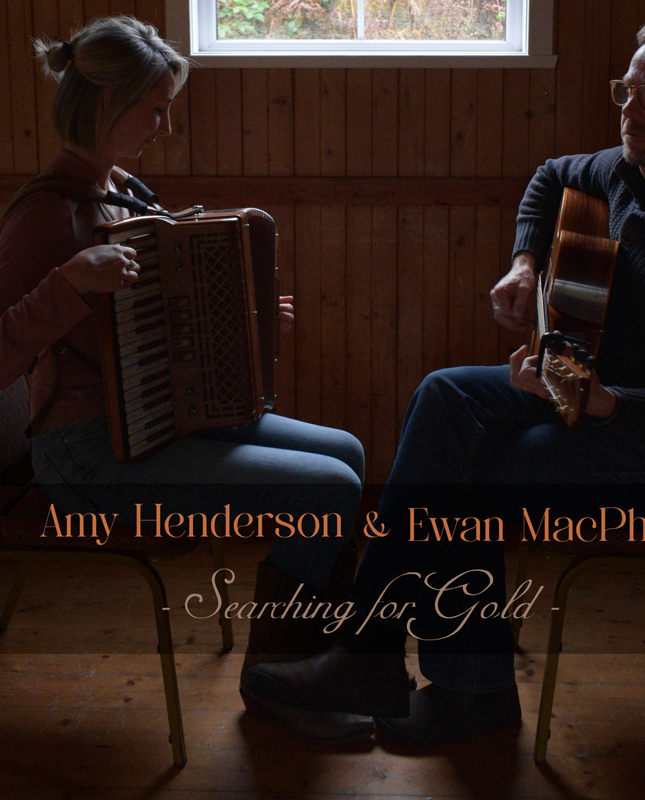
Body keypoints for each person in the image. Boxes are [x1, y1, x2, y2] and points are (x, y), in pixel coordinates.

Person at [242, 16, 645, 747]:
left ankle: (464, 689)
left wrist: (605, 401)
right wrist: (524, 262)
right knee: (446, 395)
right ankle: (375, 657)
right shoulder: (625, 172)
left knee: (473, 473)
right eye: (626, 88)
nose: (630, 108)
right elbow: (548, 177)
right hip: (593, 398)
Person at [0, 15, 372, 744]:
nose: (166, 125)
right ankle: (277, 684)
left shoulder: (123, 191)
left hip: (154, 423)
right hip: (87, 456)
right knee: (329, 491)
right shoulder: (43, 216)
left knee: (350, 454)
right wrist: (71, 284)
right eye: (157, 107)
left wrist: (253, 323)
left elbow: (162, 323)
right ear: (110, 104)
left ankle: (317, 664)